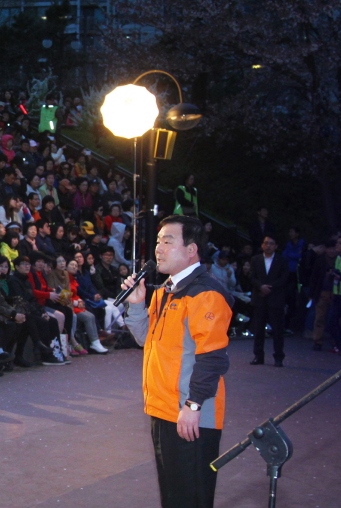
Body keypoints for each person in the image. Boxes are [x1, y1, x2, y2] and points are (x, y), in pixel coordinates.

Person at [123, 215, 233, 508]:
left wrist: (193, 404)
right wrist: (136, 305)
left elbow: (212, 358)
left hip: (190, 415)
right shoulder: (164, 292)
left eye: (167, 241)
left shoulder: (206, 294)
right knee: (172, 497)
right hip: (162, 409)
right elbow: (148, 341)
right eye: (158, 241)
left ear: (191, 250)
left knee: (191, 496)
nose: (158, 249)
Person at [249, 233, 289, 367]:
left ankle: (278, 357)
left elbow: (284, 278)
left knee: (278, 330)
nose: (268, 246)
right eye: (266, 243)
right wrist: (260, 286)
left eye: (271, 243)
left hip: (275, 298)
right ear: (262, 245)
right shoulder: (255, 259)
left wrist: (270, 287)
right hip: (260, 298)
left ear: (276, 246)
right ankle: (258, 356)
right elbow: (251, 276)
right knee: (258, 329)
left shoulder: (281, 260)